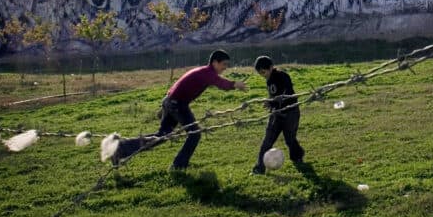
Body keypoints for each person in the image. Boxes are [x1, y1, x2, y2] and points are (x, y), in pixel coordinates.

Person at [112, 49, 246, 171]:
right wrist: (235, 84)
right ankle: (179, 165)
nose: (225, 67)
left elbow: (177, 87)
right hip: (178, 105)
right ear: (215, 62)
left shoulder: (202, 71)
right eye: (224, 64)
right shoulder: (207, 72)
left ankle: (120, 148)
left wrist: (165, 105)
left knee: (162, 135)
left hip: (170, 101)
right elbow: (221, 83)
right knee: (195, 134)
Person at [251, 55, 304, 174]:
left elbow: (286, 93)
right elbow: (274, 96)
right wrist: (270, 103)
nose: (263, 75)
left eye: (264, 72)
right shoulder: (269, 80)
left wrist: (273, 102)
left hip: (290, 113)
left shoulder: (282, 76)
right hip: (276, 114)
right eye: (260, 73)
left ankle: (297, 157)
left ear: (271, 67)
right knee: (267, 141)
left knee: (290, 139)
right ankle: (260, 168)